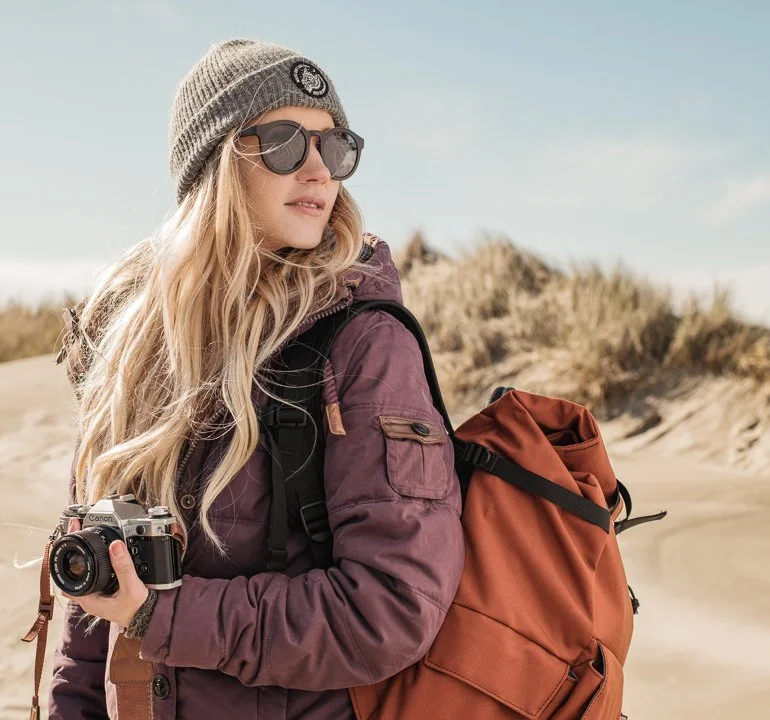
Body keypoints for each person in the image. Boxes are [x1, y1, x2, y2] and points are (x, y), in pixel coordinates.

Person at [48, 38, 464, 720]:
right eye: (281, 143)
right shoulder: (129, 347)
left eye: (335, 148)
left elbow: (391, 606)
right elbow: (93, 599)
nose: (318, 172)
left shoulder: (360, 343)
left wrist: (165, 614)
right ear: (214, 162)